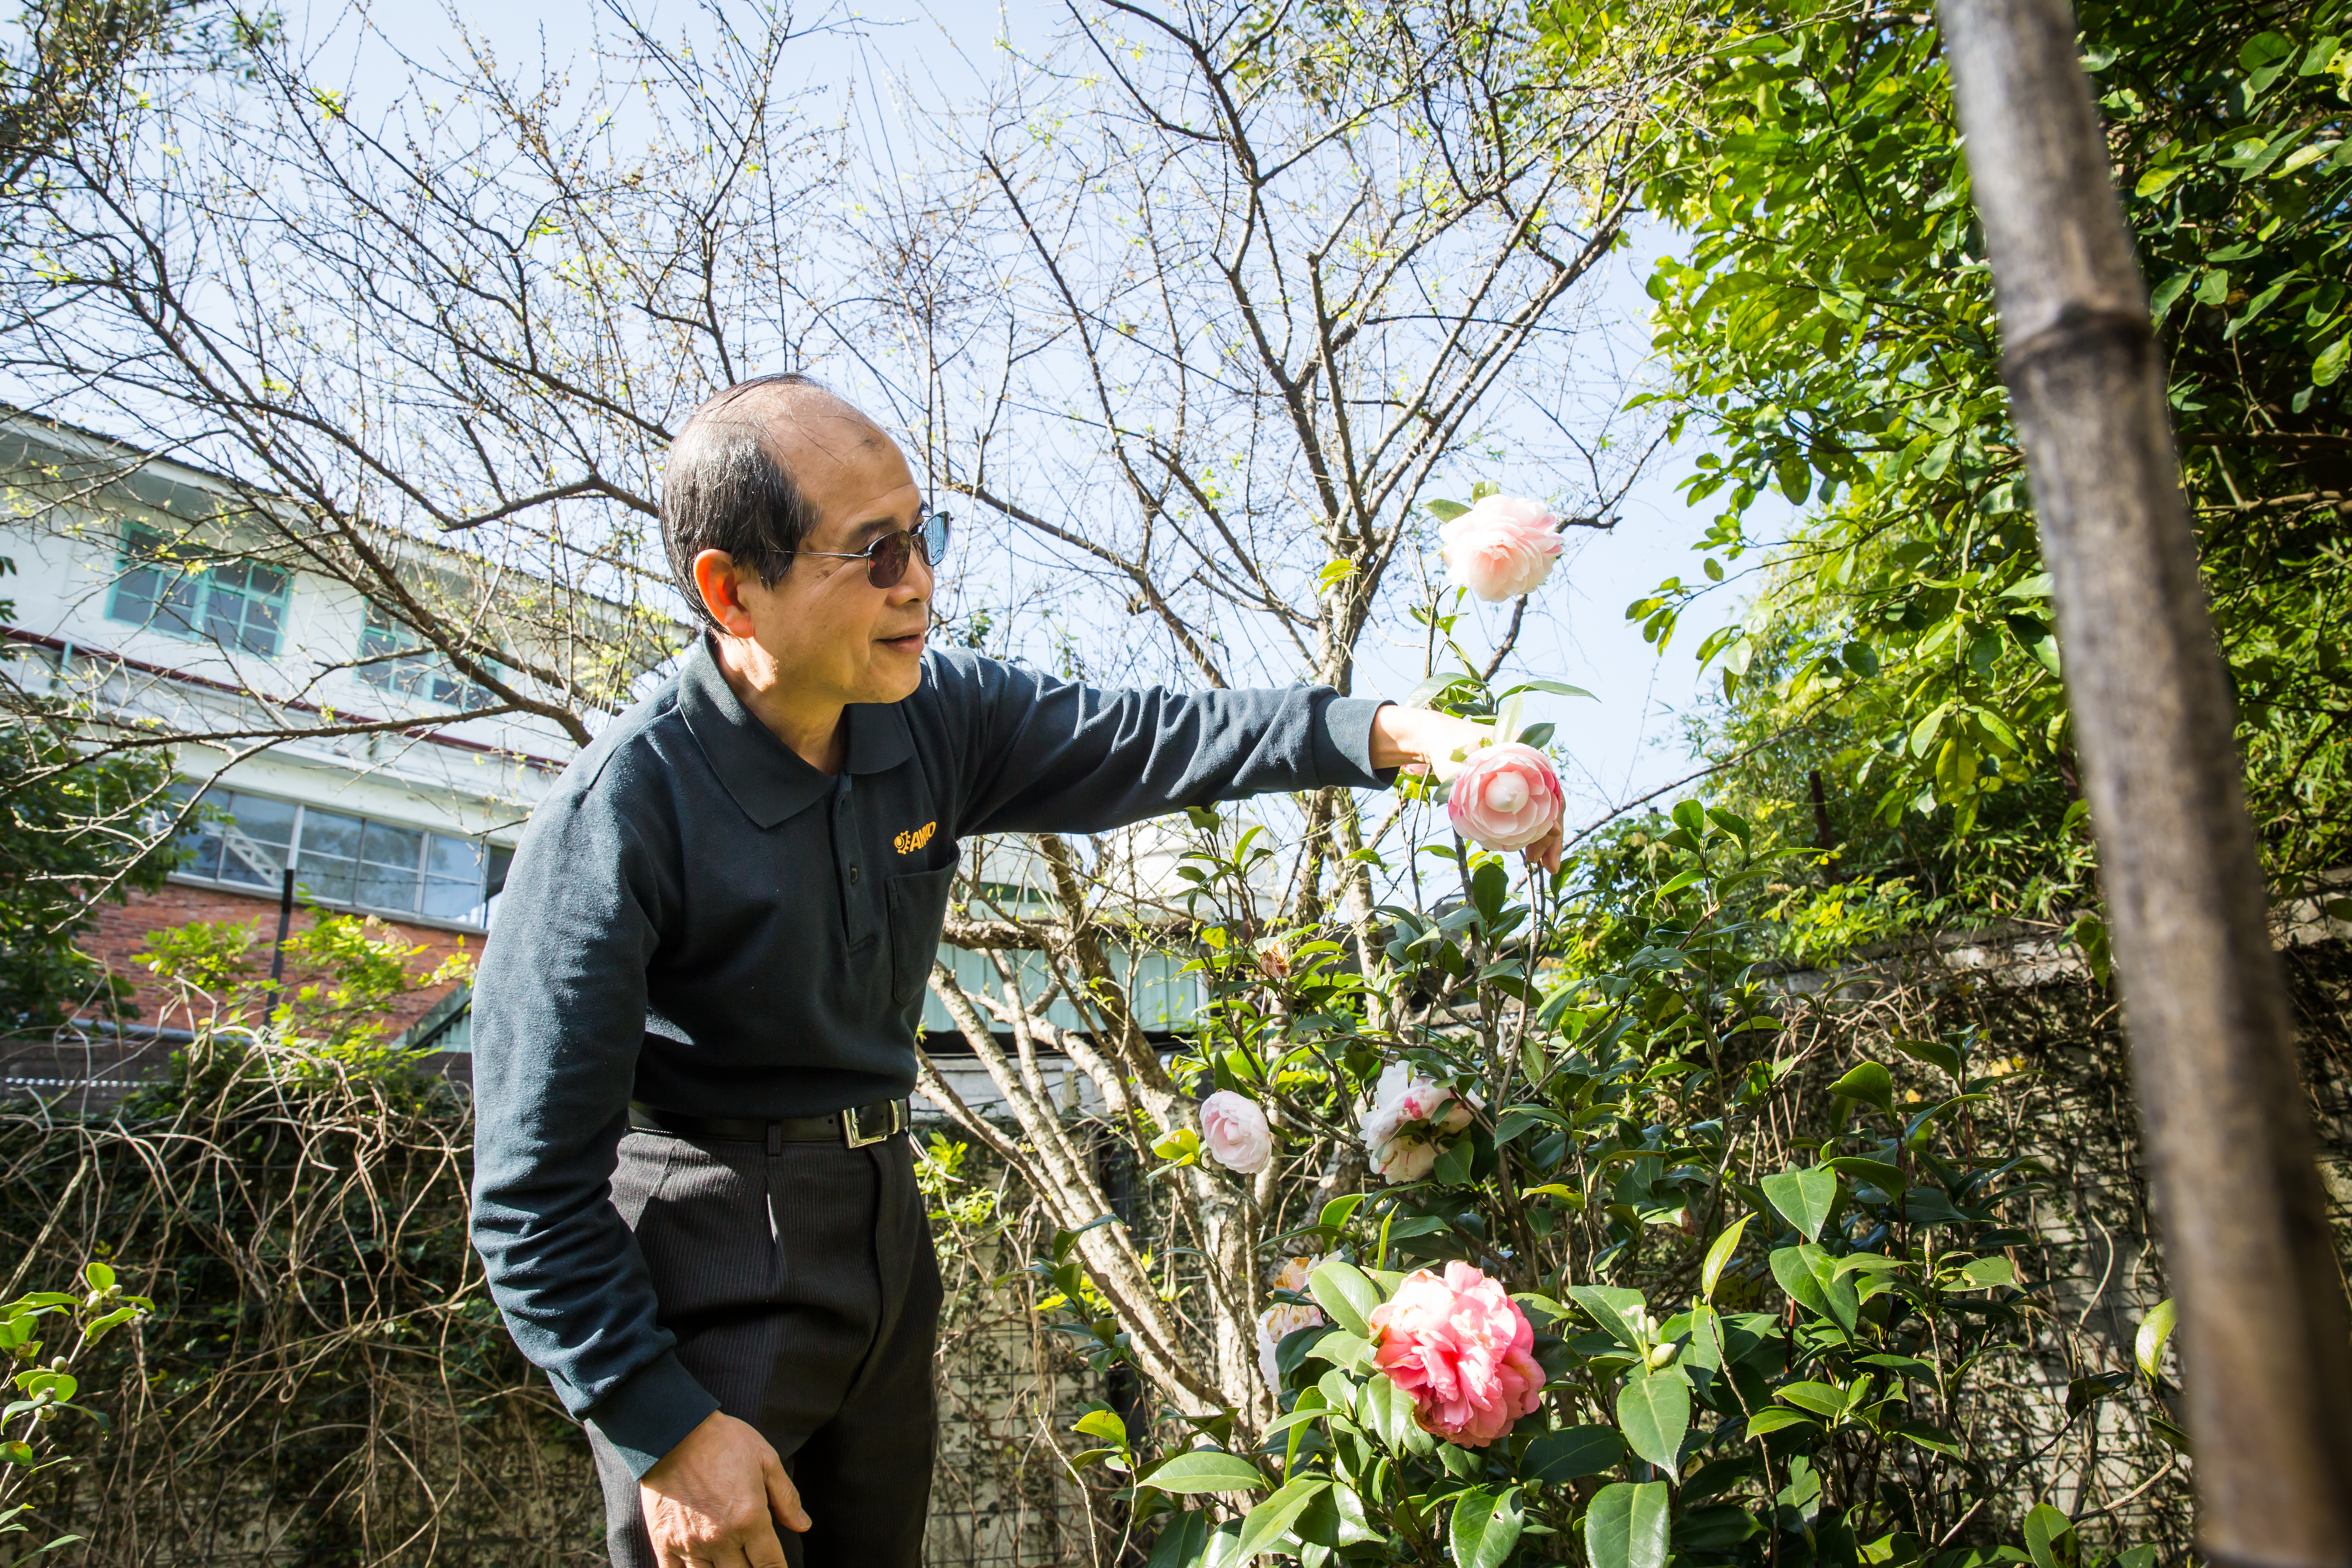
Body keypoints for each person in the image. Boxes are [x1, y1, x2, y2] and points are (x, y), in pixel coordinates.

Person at [467, 374, 1561, 1568]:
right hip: (711, 1252)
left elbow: (1154, 736)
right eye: (872, 552)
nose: (918, 582)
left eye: (922, 535)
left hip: (884, 1225)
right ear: (731, 590)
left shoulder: (935, 716)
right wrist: (664, 1428)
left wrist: (1392, 732)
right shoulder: (620, 813)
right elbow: (529, 1197)